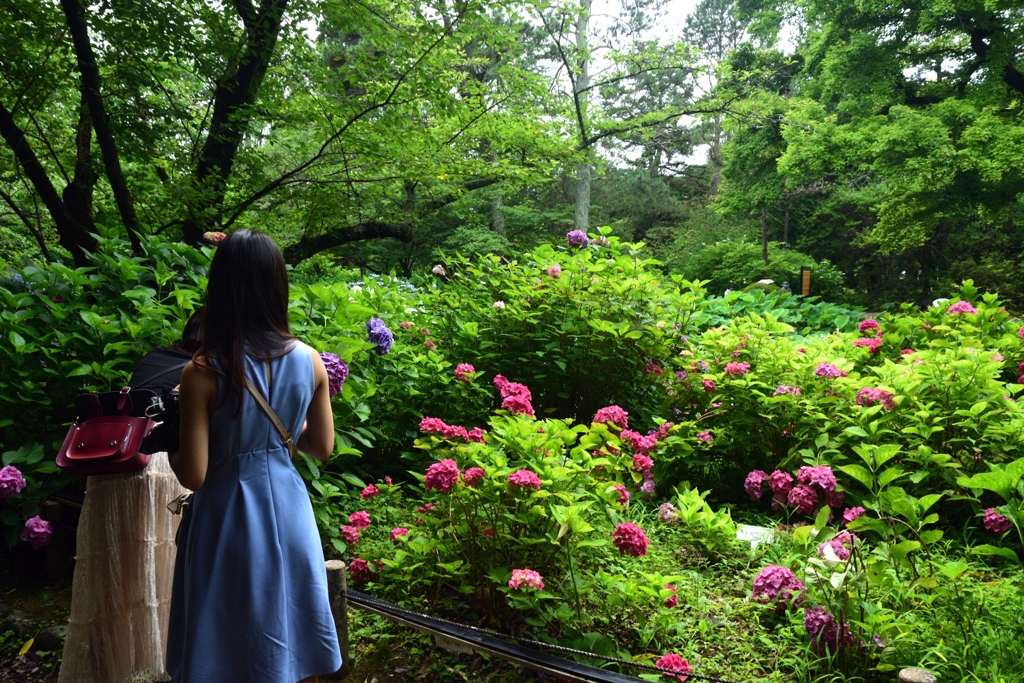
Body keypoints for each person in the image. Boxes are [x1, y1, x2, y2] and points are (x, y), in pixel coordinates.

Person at [166, 230, 341, 683]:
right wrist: (278, 424)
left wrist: (169, 433)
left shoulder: (202, 372)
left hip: (226, 518)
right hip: (288, 511)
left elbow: (194, 475)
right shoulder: (310, 360)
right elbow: (321, 447)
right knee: (285, 634)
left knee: (223, 643)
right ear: (276, 285)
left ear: (220, 287)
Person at [58, 311, 203, 683]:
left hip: (112, 461)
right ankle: (159, 665)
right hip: (156, 465)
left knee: (116, 577)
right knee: (163, 569)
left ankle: (111, 667)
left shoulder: (155, 355)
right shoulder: (204, 369)